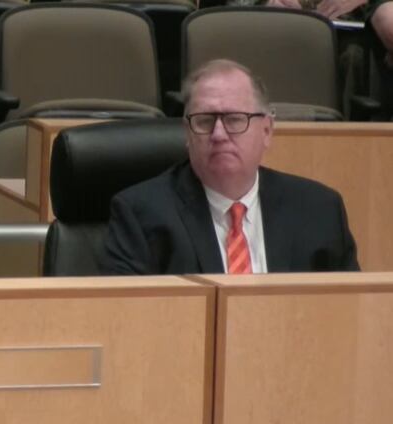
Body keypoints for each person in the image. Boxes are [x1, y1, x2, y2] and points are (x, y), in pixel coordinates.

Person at [102, 59, 359, 275]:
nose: (219, 134)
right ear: (187, 133)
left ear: (267, 131)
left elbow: (349, 312)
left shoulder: (319, 209)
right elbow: (128, 318)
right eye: (204, 121)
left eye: (235, 119)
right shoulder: (141, 214)